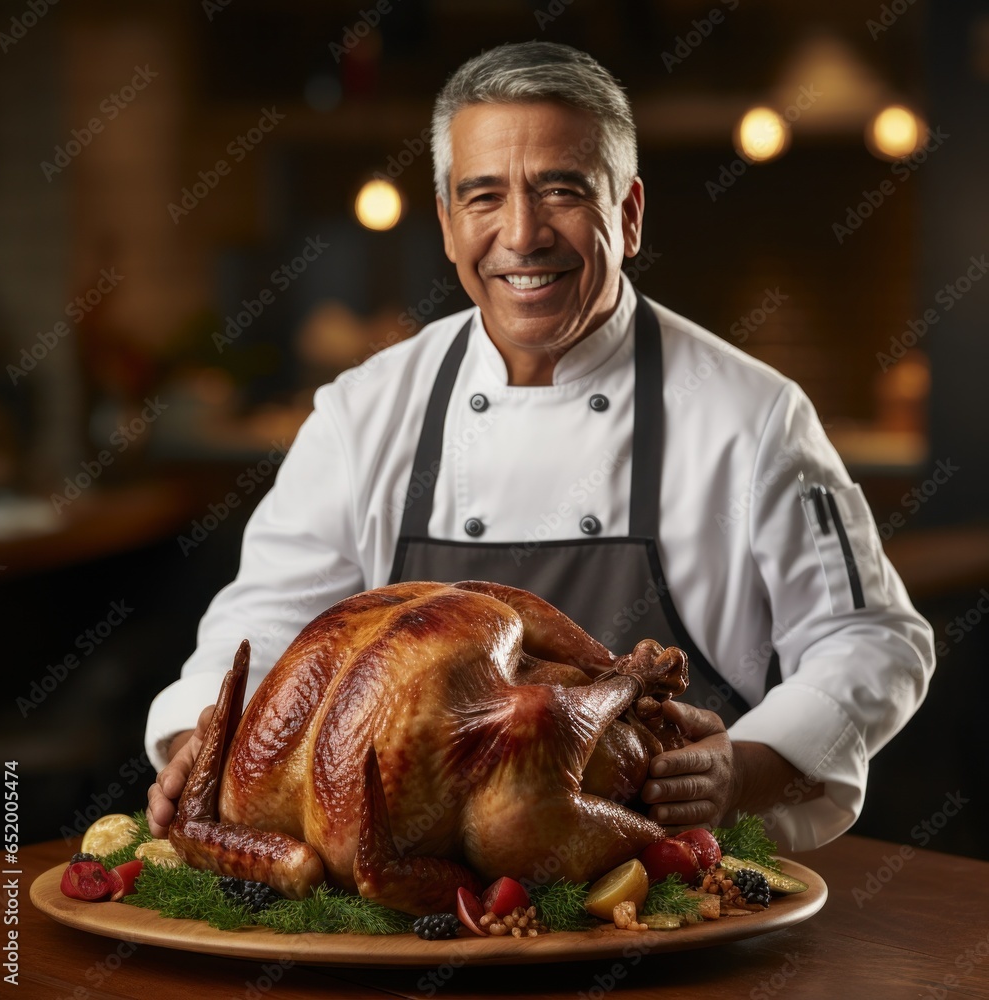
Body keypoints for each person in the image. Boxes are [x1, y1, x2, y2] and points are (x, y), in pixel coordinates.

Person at [146, 41, 935, 851]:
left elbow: (872, 640)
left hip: (668, 883)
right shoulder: (366, 411)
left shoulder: (752, 414)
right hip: (412, 898)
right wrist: (195, 746)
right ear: (450, 224)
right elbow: (264, 627)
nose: (522, 236)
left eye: (561, 190)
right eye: (483, 196)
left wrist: (744, 771)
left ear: (628, 215)